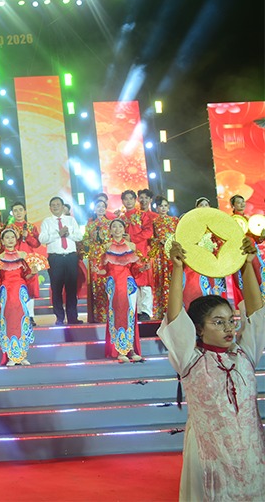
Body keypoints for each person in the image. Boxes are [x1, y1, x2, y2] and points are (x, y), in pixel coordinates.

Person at [159, 238, 265, 501]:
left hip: (250, 453)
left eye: (230, 321)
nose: (229, 328)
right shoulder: (190, 360)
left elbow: (257, 315)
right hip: (209, 456)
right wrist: (177, 269)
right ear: (199, 328)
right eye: (218, 322)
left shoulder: (244, 354)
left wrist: (247, 265)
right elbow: (175, 320)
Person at [95, 219, 146, 362]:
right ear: (110, 230)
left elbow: (136, 268)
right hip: (114, 285)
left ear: (124, 229)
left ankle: (131, 349)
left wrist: (143, 268)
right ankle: (119, 350)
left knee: (130, 315)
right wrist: (97, 271)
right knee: (116, 315)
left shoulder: (131, 246)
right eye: (114, 227)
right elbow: (103, 269)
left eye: (120, 226)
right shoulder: (106, 247)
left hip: (129, 285)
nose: (117, 229)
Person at [0, 229, 35, 365]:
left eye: (12, 237)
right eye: (7, 237)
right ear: (2, 240)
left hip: (20, 291)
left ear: (16, 239)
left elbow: (27, 276)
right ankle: (11, 356)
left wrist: (33, 273)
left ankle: (23, 355)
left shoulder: (23, 256)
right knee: (8, 321)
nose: (10, 240)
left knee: (23, 320)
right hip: (7, 292)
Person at [39, 197, 83, 325]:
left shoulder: (71, 220)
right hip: (55, 258)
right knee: (56, 289)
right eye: (53, 205)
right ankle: (59, 317)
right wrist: (58, 234)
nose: (55, 207)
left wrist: (68, 234)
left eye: (58, 204)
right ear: (50, 208)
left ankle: (73, 317)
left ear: (63, 207)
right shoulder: (47, 222)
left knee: (71, 289)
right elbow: (42, 239)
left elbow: (79, 236)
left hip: (70, 257)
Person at [7, 202, 45, 326]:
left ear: (25, 212)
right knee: (16, 287)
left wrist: (27, 236)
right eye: (15, 210)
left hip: (29, 260)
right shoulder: (10, 227)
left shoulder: (30, 227)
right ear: (12, 213)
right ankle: (18, 315)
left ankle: (30, 316)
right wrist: (16, 238)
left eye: (20, 210)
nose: (18, 213)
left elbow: (37, 243)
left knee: (31, 288)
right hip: (15, 261)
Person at [120, 189, 155, 321]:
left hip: (141, 251)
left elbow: (148, 232)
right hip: (127, 254)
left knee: (144, 282)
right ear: (122, 201)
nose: (128, 201)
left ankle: (146, 310)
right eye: (126, 199)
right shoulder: (122, 219)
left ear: (135, 200)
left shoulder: (142, 215)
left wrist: (132, 238)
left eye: (131, 198)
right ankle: (137, 309)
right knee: (132, 281)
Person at [150, 196, 178, 320]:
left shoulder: (175, 220)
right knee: (161, 279)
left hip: (172, 253)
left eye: (165, 206)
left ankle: (175, 307)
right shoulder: (154, 222)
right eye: (161, 206)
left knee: (174, 278)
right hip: (160, 255)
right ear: (157, 208)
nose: (163, 208)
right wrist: (159, 241)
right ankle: (162, 309)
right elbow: (151, 239)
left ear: (169, 207)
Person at [85, 198, 112, 323]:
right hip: (94, 258)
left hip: (106, 257)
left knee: (106, 283)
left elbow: (113, 240)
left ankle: (109, 314)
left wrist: (104, 239)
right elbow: (85, 241)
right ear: (94, 209)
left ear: (105, 209)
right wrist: (91, 240)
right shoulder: (90, 225)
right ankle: (98, 315)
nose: (100, 209)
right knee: (95, 284)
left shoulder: (110, 224)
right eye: (98, 206)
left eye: (103, 206)